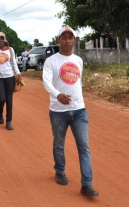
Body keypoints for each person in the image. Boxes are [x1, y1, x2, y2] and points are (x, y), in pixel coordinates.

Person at [42, 25, 99, 197]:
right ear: (58, 39)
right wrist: (58, 94)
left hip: (79, 111)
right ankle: (60, 171)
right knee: (59, 144)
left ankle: (87, 184)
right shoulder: (51, 61)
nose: (67, 41)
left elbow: (78, 83)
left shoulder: (78, 60)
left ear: (74, 40)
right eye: (64, 37)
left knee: (84, 147)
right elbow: (46, 82)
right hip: (58, 111)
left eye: (70, 37)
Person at [0, 32, 22, 130]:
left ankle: (9, 121)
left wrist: (18, 74)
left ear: (4, 39)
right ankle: (0, 113)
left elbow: (14, 63)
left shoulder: (10, 50)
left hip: (9, 76)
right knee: (2, 98)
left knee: (9, 99)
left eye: (2, 38)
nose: (0, 40)